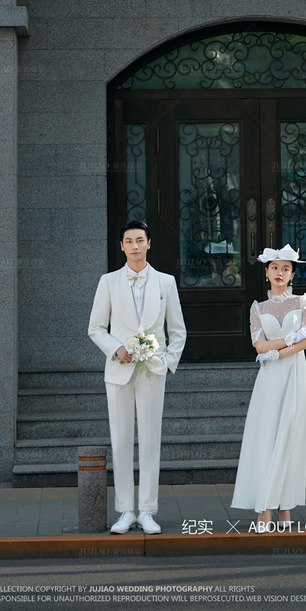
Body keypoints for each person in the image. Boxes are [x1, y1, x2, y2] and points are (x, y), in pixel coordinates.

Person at [88, 221, 186, 534]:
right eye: (128, 241)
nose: (134, 246)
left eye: (139, 240)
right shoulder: (108, 282)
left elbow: (178, 330)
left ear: (149, 243)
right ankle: (125, 511)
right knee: (120, 440)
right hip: (119, 371)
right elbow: (95, 328)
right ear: (121, 246)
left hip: (153, 371)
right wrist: (115, 348)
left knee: (150, 440)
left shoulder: (166, 282)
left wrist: (167, 362)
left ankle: (147, 510)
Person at [230, 244, 306, 528]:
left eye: (286, 268)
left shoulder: (303, 302)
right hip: (268, 380)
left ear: (292, 274)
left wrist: (278, 352)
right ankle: (268, 507)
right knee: (267, 437)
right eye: (275, 268)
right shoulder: (258, 308)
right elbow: (259, 345)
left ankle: (283, 506)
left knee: (290, 438)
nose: (280, 272)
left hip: (294, 374)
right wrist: (288, 340)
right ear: (266, 272)